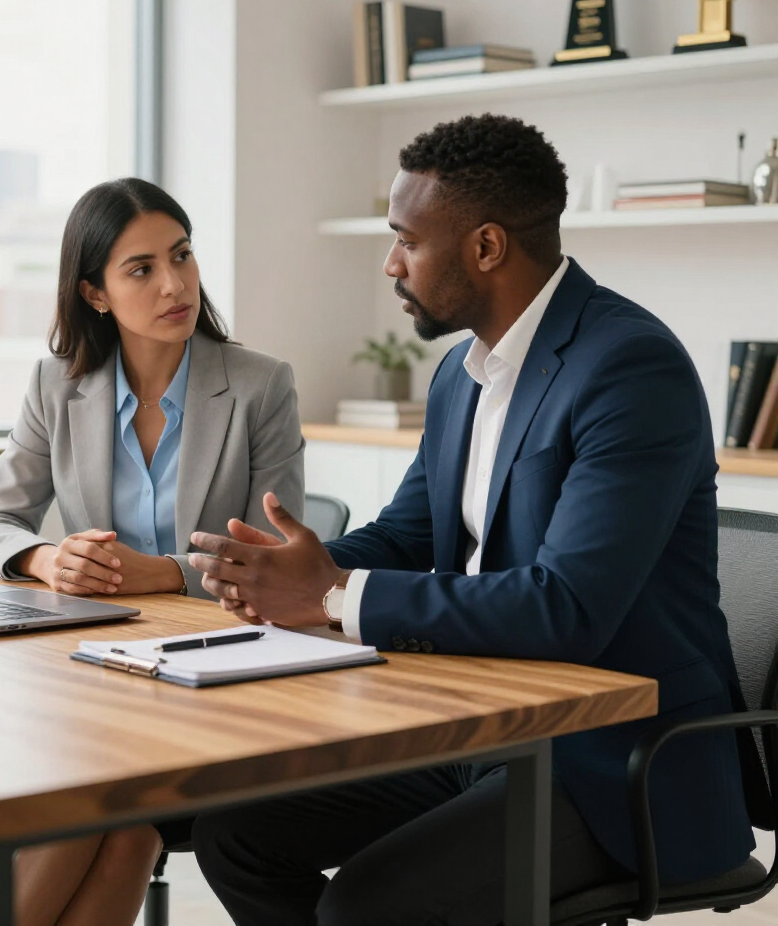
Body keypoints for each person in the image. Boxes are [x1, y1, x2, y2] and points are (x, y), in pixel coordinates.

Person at [185, 114, 765, 926]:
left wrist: (332, 597)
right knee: (236, 836)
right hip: (479, 733)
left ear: (487, 247)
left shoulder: (630, 368)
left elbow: (565, 606)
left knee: (365, 906)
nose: (391, 263)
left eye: (407, 241)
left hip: (615, 762)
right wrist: (281, 574)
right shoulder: (463, 376)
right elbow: (406, 535)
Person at [0, 177, 304, 926]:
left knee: (94, 812)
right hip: (92, 686)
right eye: (142, 268)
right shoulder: (57, 385)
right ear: (94, 294)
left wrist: (172, 575)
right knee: (120, 835)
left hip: (220, 687)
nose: (175, 283)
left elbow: (283, 566)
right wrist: (45, 559)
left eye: (181, 256)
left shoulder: (259, 386)